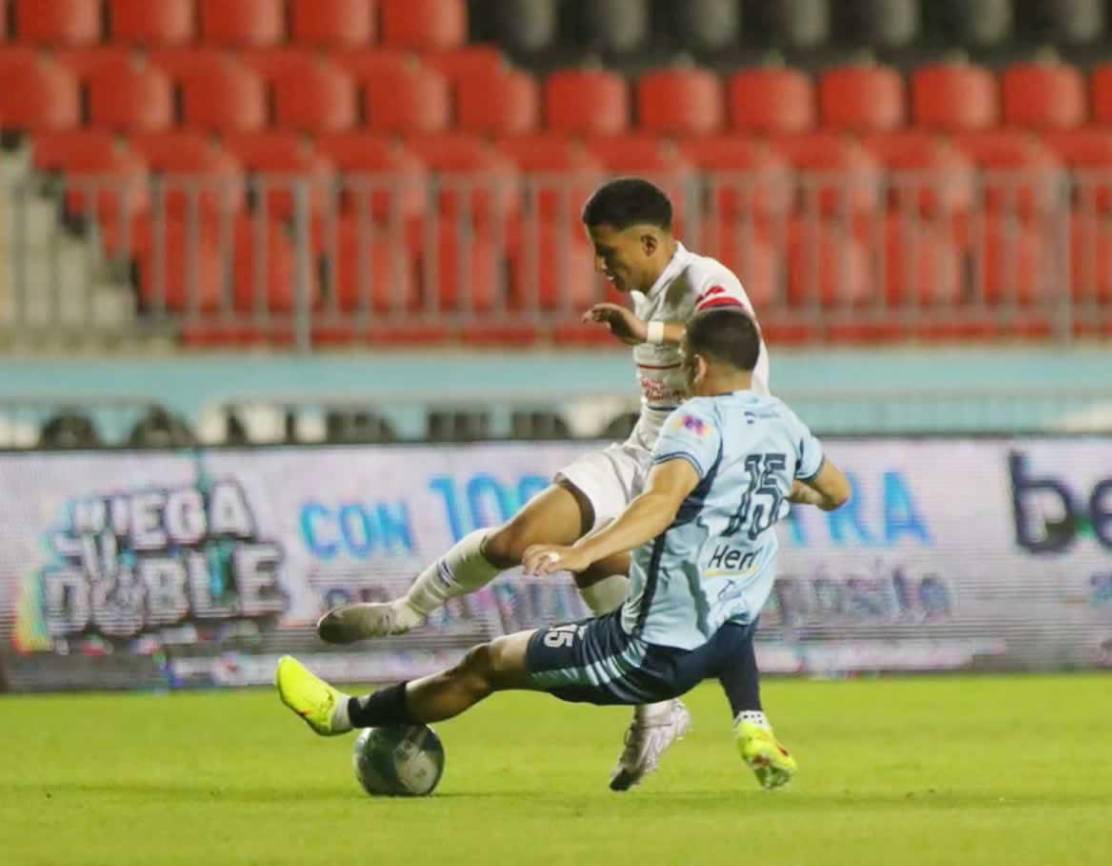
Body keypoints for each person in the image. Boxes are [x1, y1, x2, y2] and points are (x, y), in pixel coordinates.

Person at [317, 177, 774, 790]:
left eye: (608, 252)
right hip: (644, 452)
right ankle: (405, 611)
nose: (599, 265)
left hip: (703, 473)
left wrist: (653, 336)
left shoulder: (706, 282)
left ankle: (655, 707)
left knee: (600, 568)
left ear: (648, 241)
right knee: (517, 539)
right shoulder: (649, 292)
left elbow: (730, 332)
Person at [278, 309, 852, 790]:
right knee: (718, 600)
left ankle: (340, 715)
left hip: (648, 652)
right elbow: (836, 491)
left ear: (696, 365)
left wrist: (579, 552)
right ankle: (750, 722)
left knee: (487, 665)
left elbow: (658, 507)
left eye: (682, 365)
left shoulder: (694, 421)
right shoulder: (782, 423)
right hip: (725, 637)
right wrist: (777, 487)